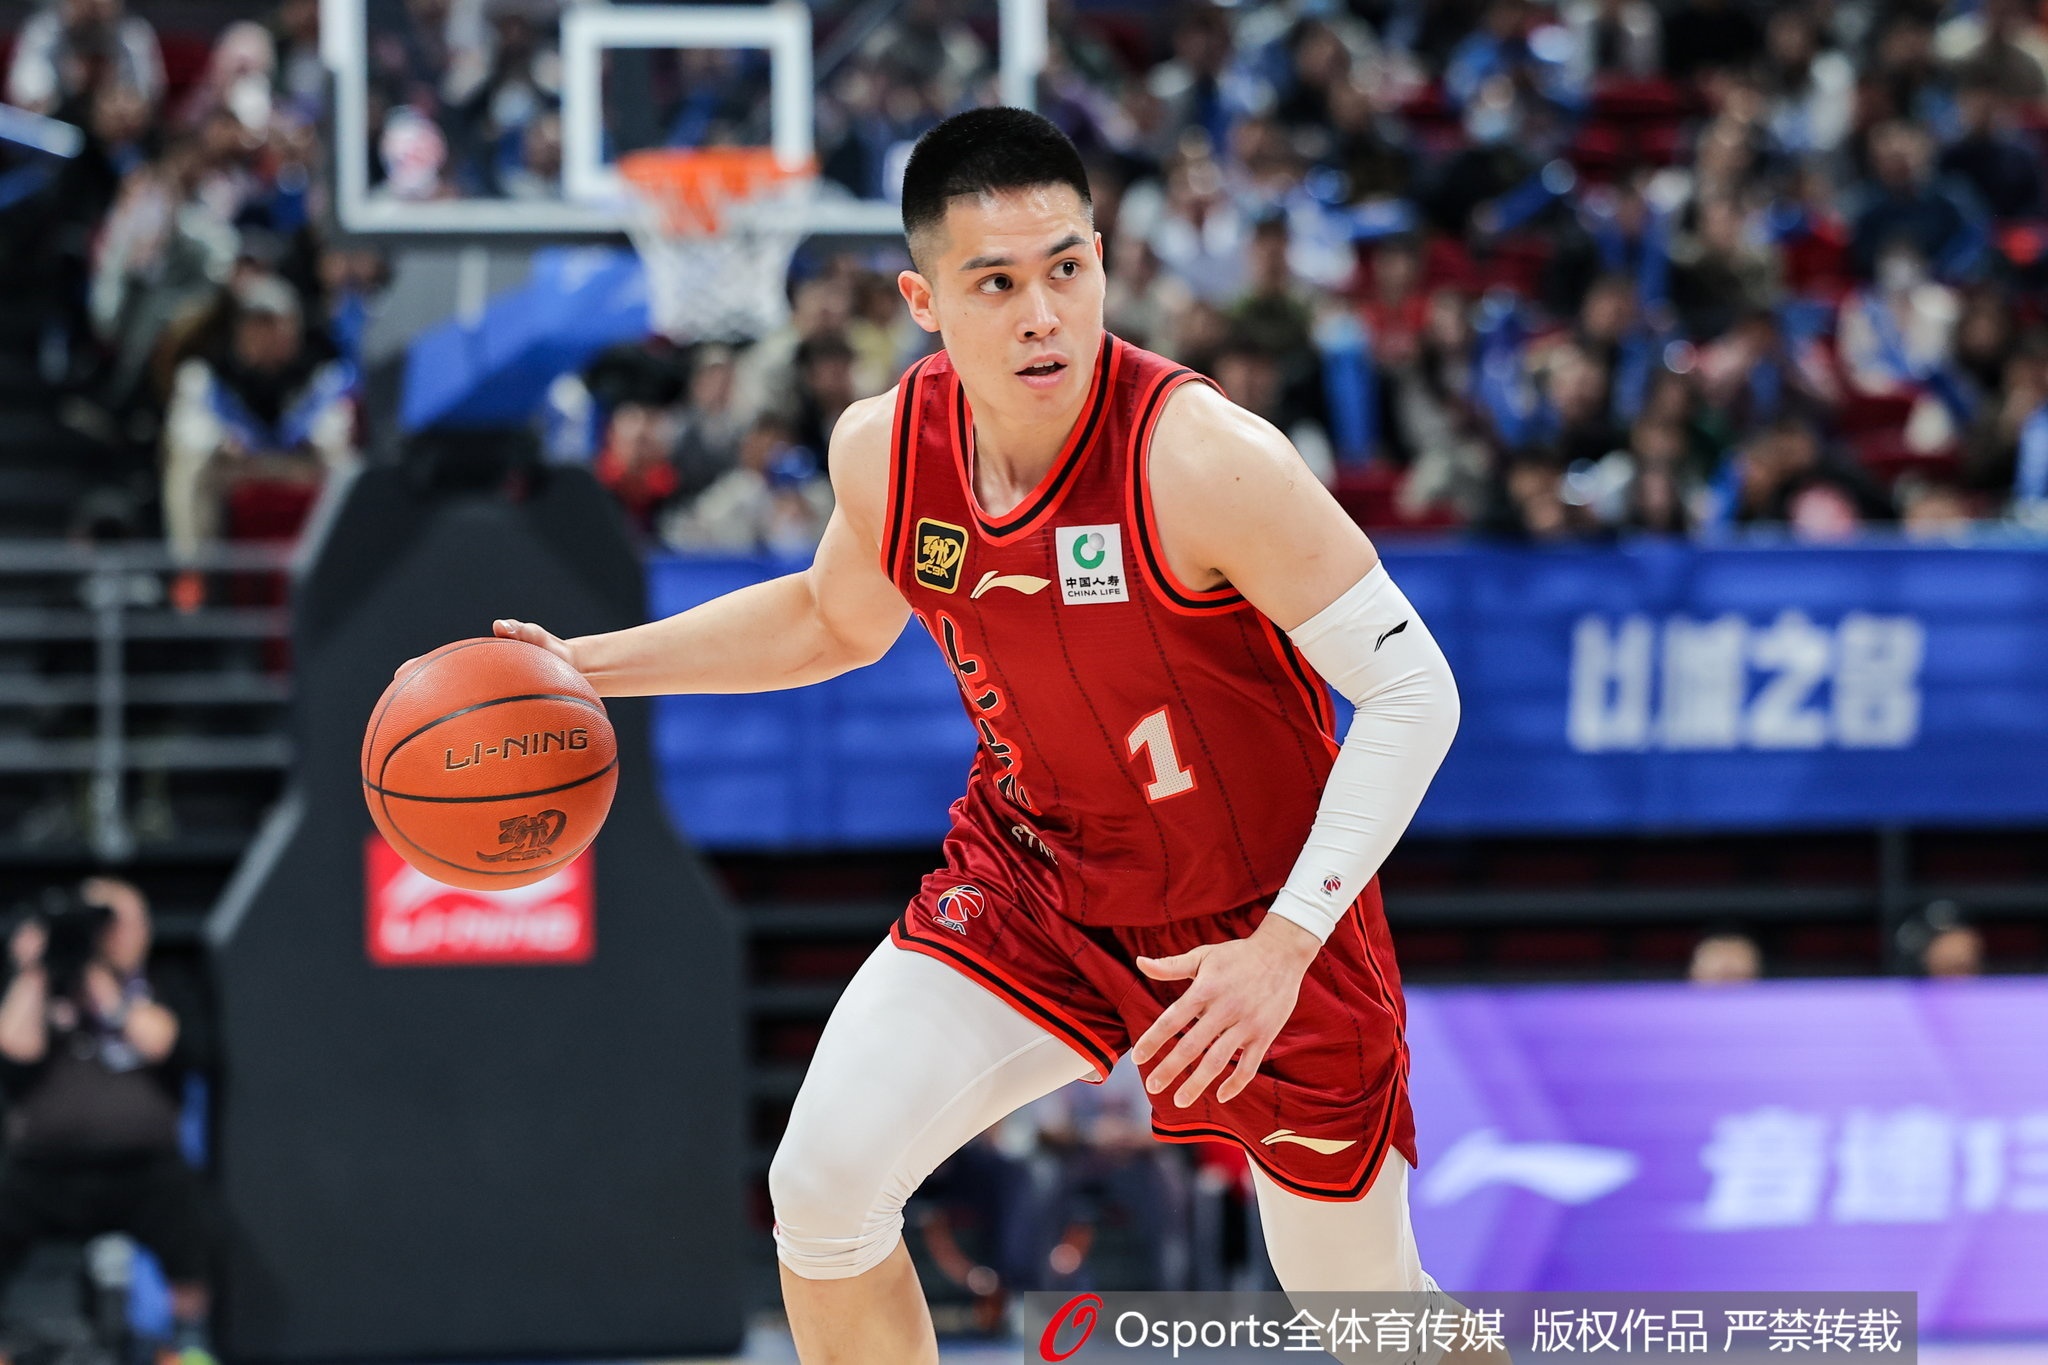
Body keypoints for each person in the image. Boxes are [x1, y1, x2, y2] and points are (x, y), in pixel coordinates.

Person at [467, 108, 1472, 1362]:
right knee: (821, 1191)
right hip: (1035, 878)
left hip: (1255, 917)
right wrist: (582, 669)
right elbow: (828, 620)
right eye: (995, 283)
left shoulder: (1203, 459)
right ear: (924, 301)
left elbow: (1413, 692)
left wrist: (1285, 944)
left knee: (1367, 1319)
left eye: (1065, 268)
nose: (1042, 314)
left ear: (1101, 261)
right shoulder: (888, 450)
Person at [0, 878, 215, 1363]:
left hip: (144, 1167)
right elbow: (14, 1049)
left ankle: (187, 1342)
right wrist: (37, 969)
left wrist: (102, 980)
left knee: (194, 1222)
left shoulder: (164, 982)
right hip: (43, 1169)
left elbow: (163, 1043)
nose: (106, 933)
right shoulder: (44, 984)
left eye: (117, 921)